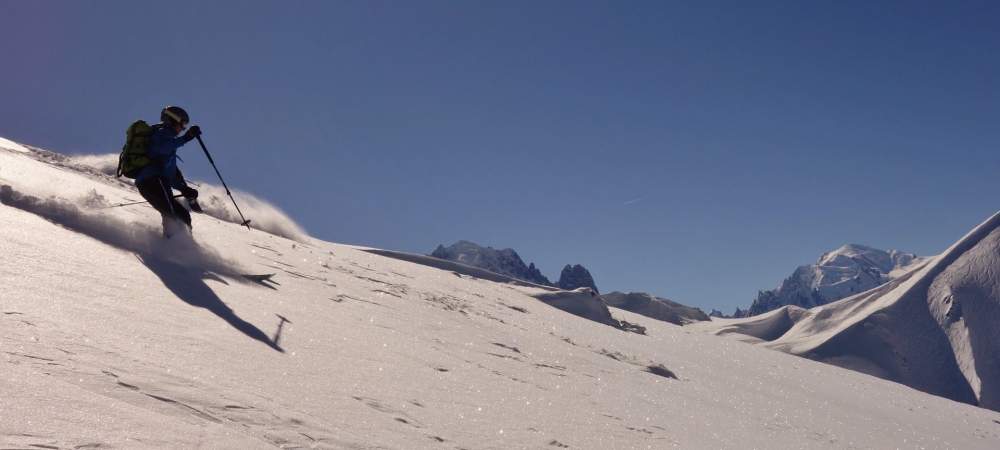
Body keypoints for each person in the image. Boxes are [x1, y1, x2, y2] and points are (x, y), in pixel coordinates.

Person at [134, 106, 203, 238]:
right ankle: (174, 246)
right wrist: (186, 138)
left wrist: (184, 189)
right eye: (182, 124)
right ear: (172, 120)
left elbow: (170, 173)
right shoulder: (161, 132)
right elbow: (161, 148)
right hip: (152, 181)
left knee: (182, 215)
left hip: (157, 182)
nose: (182, 129)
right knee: (173, 214)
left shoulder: (168, 140)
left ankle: (180, 247)